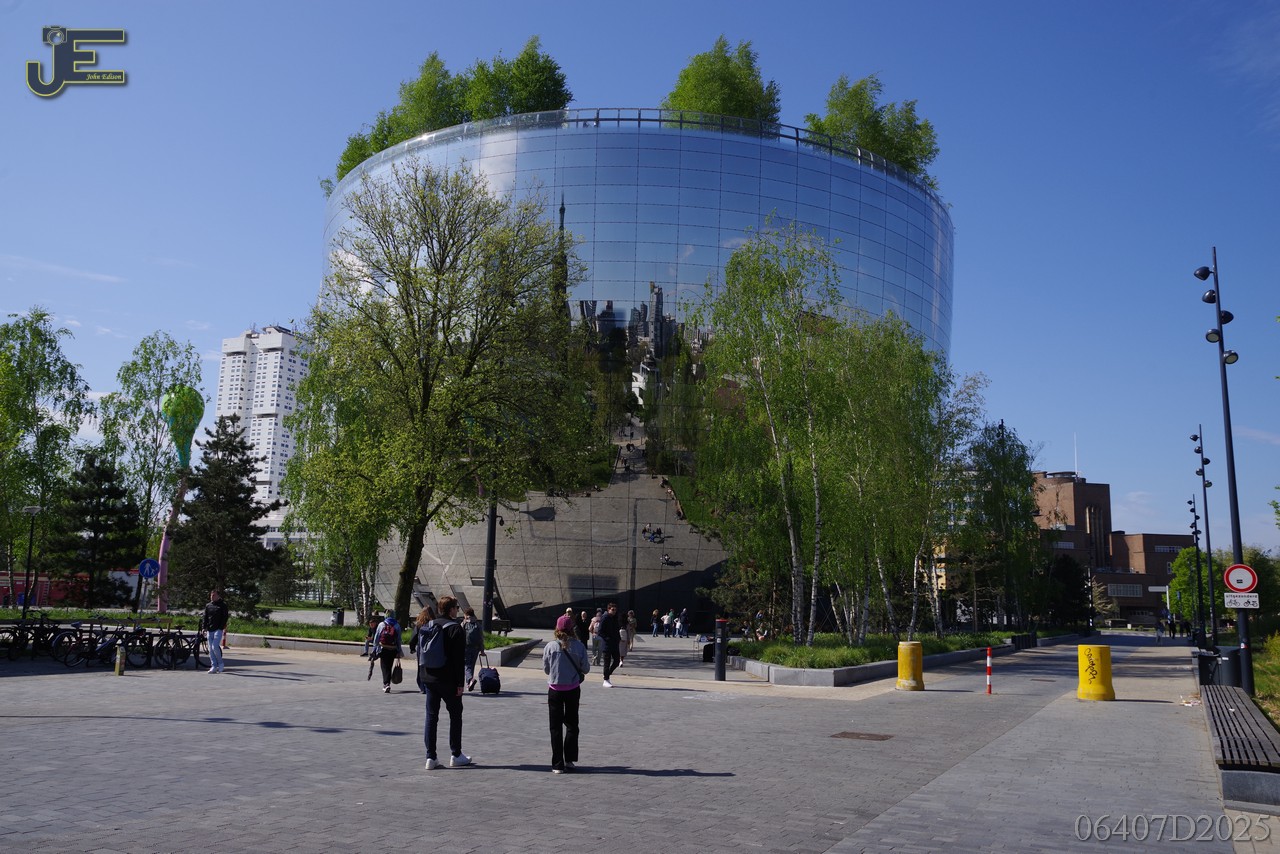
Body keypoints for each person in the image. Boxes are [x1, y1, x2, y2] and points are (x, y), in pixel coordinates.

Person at [419, 596, 470, 769]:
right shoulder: (455, 629)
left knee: (431, 716)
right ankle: (456, 754)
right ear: (451, 610)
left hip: (429, 677)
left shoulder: (429, 625)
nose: (457, 610)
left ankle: (430, 757)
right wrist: (460, 683)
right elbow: (458, 660)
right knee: (455, 715)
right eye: (456, 607)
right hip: (448, 680)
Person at [543, 613, 590, 773]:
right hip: (572, 689)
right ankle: (569, 759)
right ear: (572, 629)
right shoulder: (579, 646)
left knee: (555, 727)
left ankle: (557, 764)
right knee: (572, 725)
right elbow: (586, 669)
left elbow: (546, 669)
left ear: (557, 628)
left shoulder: (550, 646)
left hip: (554, 690)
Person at [371, 610, 403, 693]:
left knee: (384, 667)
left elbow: (376, 638)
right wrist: (399, 650)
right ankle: (387, 683)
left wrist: (374, 649)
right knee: (389, 665)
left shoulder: (381, 624)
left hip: (383, 649)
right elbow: (399, 640)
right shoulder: (397, 625)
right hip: (392, 649)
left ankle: (386, 684)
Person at [408, 606, 436, 694]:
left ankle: (422, 686)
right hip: (433, 649)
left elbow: (413, 638)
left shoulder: (419, 624)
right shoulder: (434, 623)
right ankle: (431, 685)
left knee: (421, 668)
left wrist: (412, 648)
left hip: (422, 650)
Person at [202, 590, 230, 674]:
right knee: (210, 649)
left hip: (218, 629)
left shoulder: (223, 605)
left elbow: (225, 617)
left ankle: (220, 663)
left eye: (214, 595)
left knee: (215, 646)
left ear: (218, 596)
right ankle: (213, 666)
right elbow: (205, 617)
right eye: (211, 595)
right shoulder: (208, 605)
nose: (212, 597)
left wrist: (221, 627)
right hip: (209, 629)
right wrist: (204, 627)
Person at [599, 602, 622, 687]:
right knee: (607, 663)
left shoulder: (615, 618)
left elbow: (616, 629)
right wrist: (607, 638)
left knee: (617, 661)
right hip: (607, 645)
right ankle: (606, 680)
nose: (614, 611)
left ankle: (607, 674)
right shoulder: (605, 617)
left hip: (615, 644)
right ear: (608, 609)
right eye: (612, 609)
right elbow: (600, 631)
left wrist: (619, 638)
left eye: (615, 610)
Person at [462, 608, 484, 691]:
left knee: (467, 665)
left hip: (466, 647)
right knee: (472, 665)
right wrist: (482, 650)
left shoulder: (464, 623)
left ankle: (470, 680)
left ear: (466, 614)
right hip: (476, 648)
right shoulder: (477, 623)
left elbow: (459, 634)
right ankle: (469, 684)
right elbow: (481, 637)